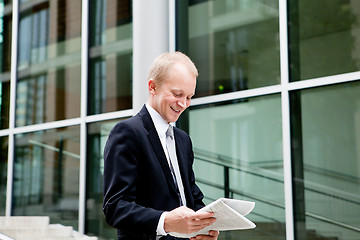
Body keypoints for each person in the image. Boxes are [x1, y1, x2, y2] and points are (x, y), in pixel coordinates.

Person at [103, 52, 220, 240]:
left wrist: (204, 226)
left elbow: (192, 198)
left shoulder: (183, 140)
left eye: (189, 97)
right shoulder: (127, 132)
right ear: (153, 87)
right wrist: (165, 221)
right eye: (177, 94)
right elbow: (115, 207)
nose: (183, 104)